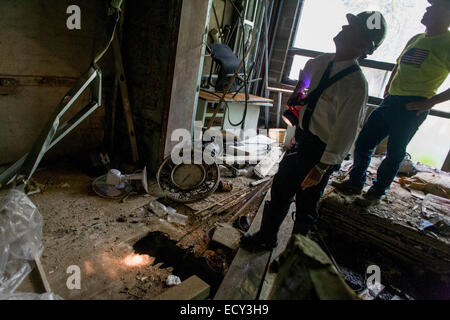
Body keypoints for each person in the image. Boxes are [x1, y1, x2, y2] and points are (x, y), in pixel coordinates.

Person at [240, 11, 387, 252]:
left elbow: (345, 133)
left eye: (352, 29)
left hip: (319, 153)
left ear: (362, 45)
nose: (343, 27)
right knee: (280, 191)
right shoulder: (318, 62)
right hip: (301, 141)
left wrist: (322, 167)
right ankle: (267, 238)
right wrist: (300, 93)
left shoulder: (355, 85)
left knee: (306, 207)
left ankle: (294, 256)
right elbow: (303, 86)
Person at [333, 0, 450, 206]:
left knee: (395, 152)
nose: (427, 10)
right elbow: (398, 64)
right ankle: (356, 182)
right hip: (392, 100)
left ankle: (376, 193)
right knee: (363, 143)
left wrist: (429, 103)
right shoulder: (417, 38)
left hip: (413, 105)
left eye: (433, 8)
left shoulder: (447, 43)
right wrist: (388, 89)